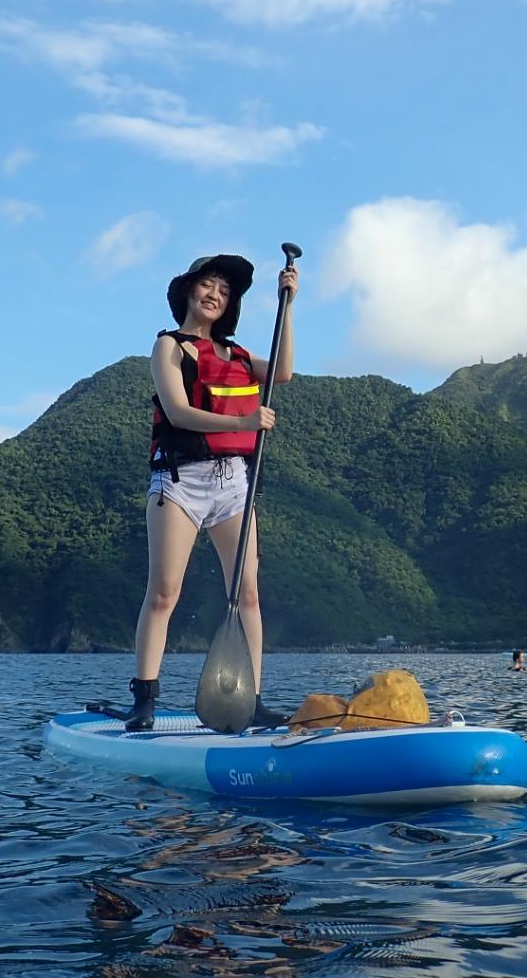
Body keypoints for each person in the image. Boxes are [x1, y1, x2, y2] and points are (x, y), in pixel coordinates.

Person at [127, 253, 299, 731]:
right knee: (164, 592)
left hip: (232, 483)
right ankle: (144, 699)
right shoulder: (169, 346)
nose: (214, 295)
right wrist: (244, 420)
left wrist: (289, 304)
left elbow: (282, 372)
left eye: (224, 292)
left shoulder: (238, 357)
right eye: (207, 285)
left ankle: (253, 699)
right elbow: (178, 412)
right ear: (187, 291)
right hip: (181, 480)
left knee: (247, 594)